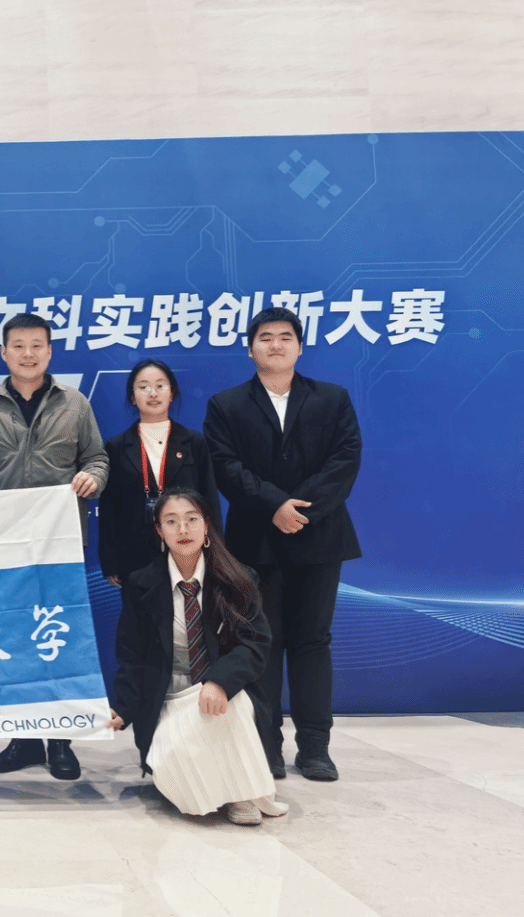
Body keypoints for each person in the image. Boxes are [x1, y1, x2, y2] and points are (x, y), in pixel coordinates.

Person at [203, 307, 362, 782]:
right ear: (250, 348)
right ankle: (265, 747)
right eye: (266, 337)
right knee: (261, 643)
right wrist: (274, 505)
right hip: (256, 542)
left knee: (312, 641)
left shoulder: (332, 398)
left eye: (285, 337)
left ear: (300, 346)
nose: (276, 345)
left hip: (320, 537)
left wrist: (301, 511)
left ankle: (314, 747)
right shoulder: (226, 404)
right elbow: (225, 466)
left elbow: (345, 460)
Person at [0, 312, 108, 781]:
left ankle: (61, 741)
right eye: (19, 346)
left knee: (57, 639)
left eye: (37, 346)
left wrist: (93, 477)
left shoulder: (75, 403)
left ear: (49, 351)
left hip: (60, 544)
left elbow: (97, 458)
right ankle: (23, 739)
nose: (28, 354)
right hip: (5, 548)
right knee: (14, 641)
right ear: (4, 352)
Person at [108, 490, 287, 825]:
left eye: (191, 519)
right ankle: (225, 784)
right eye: (171, 521)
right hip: (169, 697)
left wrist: (219, 681)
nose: (183, 529)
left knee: (230, 705)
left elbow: (254, 643)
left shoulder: (238, 579)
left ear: (207, 526)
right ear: (159, 531)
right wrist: (124, 707)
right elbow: (132, 655)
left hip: (220, 691)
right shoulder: (141, 584)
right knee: (181, 783)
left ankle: (242, 795)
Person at [99, 359, 221, 588]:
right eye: (143, 387)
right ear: (133, 397)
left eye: (160, 385)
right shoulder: (117, 447)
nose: (153, 393)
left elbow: (210, 500)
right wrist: (110, 562)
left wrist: (216, 552)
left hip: (189, 550)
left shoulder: (193, 442)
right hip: (135, 554)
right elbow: (109, 510)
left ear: (172, 393)